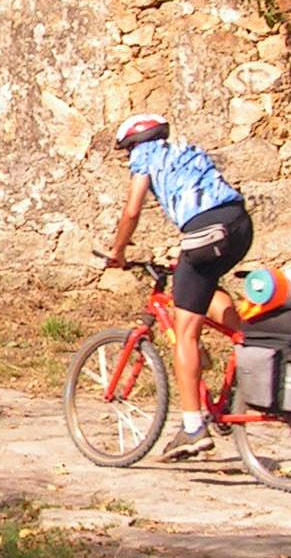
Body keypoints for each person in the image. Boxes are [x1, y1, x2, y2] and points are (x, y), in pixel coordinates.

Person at [102, 113, 253, 460]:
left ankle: (192, 428)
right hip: (239, 225)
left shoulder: (145, 155)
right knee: (203, 288)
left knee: (185, 334)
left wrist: (118, 251)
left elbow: (131, 211)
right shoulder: (188, 150)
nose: (128, 158)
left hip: (205, 232)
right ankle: (248, 345)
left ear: (134, 144)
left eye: (126, 152)